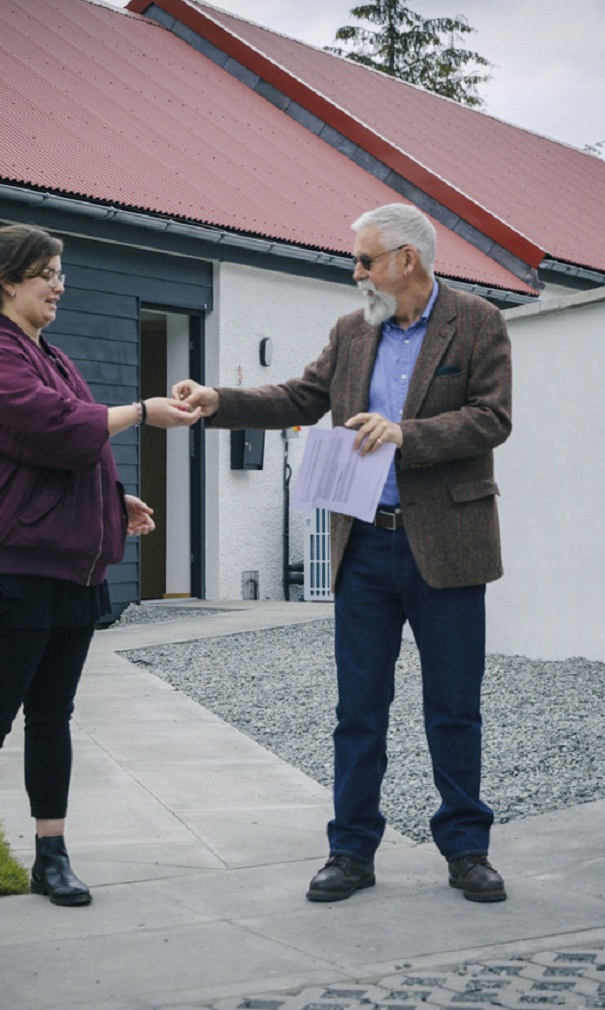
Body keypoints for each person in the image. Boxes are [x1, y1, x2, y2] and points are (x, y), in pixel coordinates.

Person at [173, 203, 512, 904]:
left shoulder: (478, 322)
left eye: (365, 260)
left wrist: (403, 433)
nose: (354, 271)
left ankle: (466, 848)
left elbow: (491, 418)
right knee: (359, 708)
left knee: (454, 706)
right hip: (363, 548)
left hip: (447, 544)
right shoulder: (351, 330)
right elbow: (300, 394)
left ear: (407, 261)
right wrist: (217, 400)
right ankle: (351, 851)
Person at [0, 222, 201, 922]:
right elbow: (49, 427)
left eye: (60, 271)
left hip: (68, 568)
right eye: (46, 272)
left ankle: (52, 856)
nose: (59, 283)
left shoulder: (52, 355)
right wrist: (141, 411)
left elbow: (71, 445)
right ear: (8, 282)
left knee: (52, 715)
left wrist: (112, 499)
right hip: (10, 568)